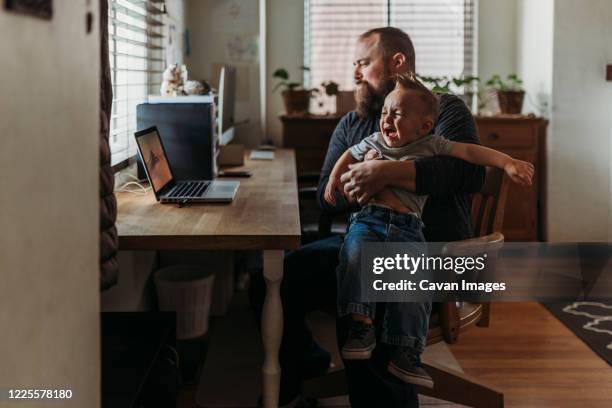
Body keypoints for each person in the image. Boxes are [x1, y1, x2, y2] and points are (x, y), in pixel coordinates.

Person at [249, 27, 486, 408]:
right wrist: (358, 181)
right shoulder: (353, 126)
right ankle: (307, 365)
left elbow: (469, 173)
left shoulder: (443, 110)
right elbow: (327, 195)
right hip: (364, 236)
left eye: (363, 63)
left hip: (432, 248)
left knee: (369, 280)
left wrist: (387, 173)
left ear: (397, 62)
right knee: (270, 280)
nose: (356, 74)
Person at [325, 74, 533, 389]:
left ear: (423, 126)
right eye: (384, 114)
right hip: (369, 221)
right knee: (354, 256)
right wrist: (334, 182)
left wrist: (507, 162)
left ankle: (407, 352)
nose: (386, 120)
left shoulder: (432, 145)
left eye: (396, 114)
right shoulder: (372, 141)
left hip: (408, 228)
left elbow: (472, 156)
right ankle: (361, 326)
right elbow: (347, 156)